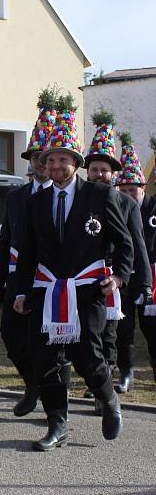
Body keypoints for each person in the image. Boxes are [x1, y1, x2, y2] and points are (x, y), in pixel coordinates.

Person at [13, 93, 132, 451]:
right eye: (51, 160)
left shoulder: (99, 195)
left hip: (87, 289)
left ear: (76, 163)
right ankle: (57, 426)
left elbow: (124, 243)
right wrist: (20, 290)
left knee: (86, 355)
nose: (56, 165)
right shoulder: (36, 202)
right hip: (47, 290)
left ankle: (108, 398)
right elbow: (28, 253)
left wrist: (119, 277)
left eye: (63, 159)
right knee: (45, 359)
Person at [0, 87, 57, 417]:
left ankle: (58, 400)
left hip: (54, 280)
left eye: (47, 157)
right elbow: (6, 240)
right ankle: (32, 384)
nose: (41, 163)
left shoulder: (62, 196)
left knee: (53, 337)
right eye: (35, 158)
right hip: (19, 277)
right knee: (11, 336)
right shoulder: (17, 197)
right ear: (29, 161)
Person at [83, 113, 151, 406]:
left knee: (112, 335)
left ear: (113, 174)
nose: (99, 174)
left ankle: (104, 391)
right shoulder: (79, 199)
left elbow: (137, 244)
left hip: (115, 281)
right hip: (83, 279)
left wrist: (143, 282)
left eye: (104, 170)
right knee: (89, 337)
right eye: (94, 169)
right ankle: (98, 381)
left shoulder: (125, 203)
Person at [115, 132, 156, 387]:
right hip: (124, 276)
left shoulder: (154, 208)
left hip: (152, 275)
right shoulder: (116, 208)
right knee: (124, 329)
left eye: (133, 189)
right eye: (124, 189)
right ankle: (126, 372)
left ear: (142, 188)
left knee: (152, 329)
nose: (129, 194)